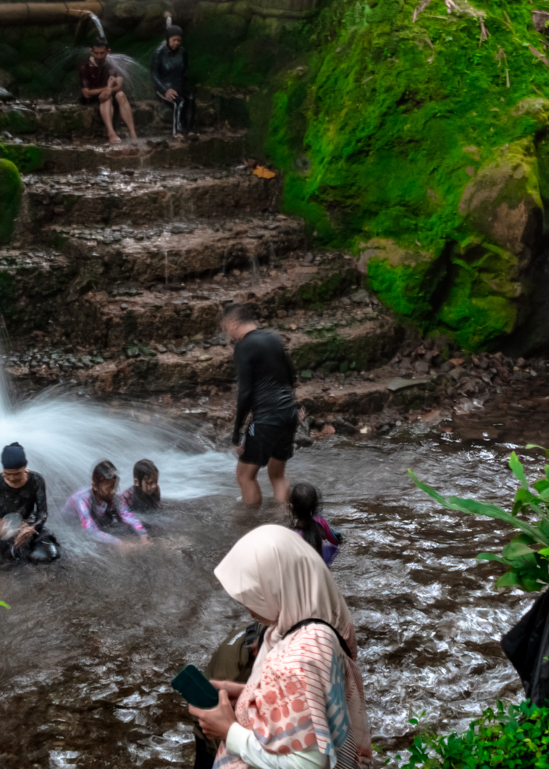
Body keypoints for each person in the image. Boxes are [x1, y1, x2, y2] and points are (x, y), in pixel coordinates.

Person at [186, 525, 371, 769]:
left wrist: (228, 731)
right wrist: (246, 694)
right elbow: (306, 703)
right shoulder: (320, 631)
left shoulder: (293, 661)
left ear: (275, 587)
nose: (245, 604)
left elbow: (308, 764)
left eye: (251, 593)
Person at [226, 303, 298, 506]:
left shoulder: (244, 346)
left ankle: (250, 527)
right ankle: (283, 522)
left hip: (267, 418)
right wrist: (293, 406)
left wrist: (237, 433)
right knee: (277, 476)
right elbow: (291, 377)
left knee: (244, 476)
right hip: (288, 414)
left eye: (225, 328)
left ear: (232, 323)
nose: (227, 333)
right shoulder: (273, 339)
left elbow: (245, 392)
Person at [0, 442, 60, 562]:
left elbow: (42, 513)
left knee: (49, 554)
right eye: (7, 474)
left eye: (17, 474)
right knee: (15, 558)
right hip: (7, 530)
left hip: (29, 525)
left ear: (25, 468)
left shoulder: (36, 480)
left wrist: (32, 528)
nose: (12, 478)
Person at [68, 459, 149, 546]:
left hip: (97, 513)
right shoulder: (82, 500)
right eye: (108, 489)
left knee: (120, 524)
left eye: (113, 488)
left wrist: (143, 534)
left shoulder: (113, 497)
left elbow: (129, 516)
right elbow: (89, 530)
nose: (112, 492)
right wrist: (118, 542)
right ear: (94, 486)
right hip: (71, 520)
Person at [79, 40, 138, 144]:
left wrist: (109, 89)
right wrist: (107, 88)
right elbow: (86, 93)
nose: (99, 56)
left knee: (121, 95)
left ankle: (133, 133)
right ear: (91, 51)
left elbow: (119, 85)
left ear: (108, 51)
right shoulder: (85, 67)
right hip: (92, 97)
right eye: (96, 53)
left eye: (102, 53)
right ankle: (111, 133)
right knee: (107, 97)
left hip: (110, 91)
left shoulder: (114, 64)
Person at [151, 19, 194, 139]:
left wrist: (183, 86)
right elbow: (154, 74)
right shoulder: (159, 52)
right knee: (178, 102)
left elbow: (184, 70)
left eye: (179, 40)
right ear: (168, 39)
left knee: (190, 99)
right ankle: (178, 131)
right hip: (163, 87)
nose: (176, 43)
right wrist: (165, 90)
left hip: (178, 85)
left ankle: (190, 130)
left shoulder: (183, 52)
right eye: (174, 40)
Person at [289, 482, 342, 566]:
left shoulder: (292, 534)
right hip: (321, 564)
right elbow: (334, 541)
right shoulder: (321, 521)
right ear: (315, 506)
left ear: (291, 507)